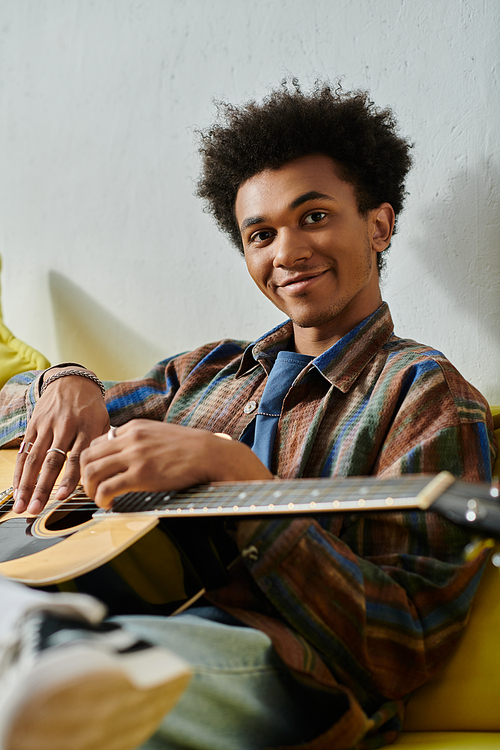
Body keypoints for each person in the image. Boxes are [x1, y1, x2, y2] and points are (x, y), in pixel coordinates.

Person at [0, 81, 496, 750]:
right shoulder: (205, 373)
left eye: (314, 216)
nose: (286, 251)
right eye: (260, 233)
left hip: (286, 674)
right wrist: (66, 380)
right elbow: (27, 417)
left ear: (378, 224)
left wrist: (244, 484)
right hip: (110, 613)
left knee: (77, 683)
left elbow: (401, 647)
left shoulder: (426, 394)